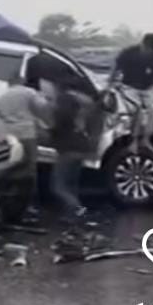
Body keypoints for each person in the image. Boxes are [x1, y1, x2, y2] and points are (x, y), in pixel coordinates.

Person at [0, 71, 51, 215]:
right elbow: (43, 108)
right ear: (22, 81)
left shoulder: (1, 97)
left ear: (9, 83)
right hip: (27, 134)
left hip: (10, 136)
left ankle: (7, 202)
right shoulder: (29, 93)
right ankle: (28, 204)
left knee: (11, 168)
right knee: (29, 169)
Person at [50, 79, 94, 222]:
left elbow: (60, 122)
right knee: (71, 185)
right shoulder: (80, 105)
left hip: (69, 149)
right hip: (81, 147)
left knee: (58, 186)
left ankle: (78, 209)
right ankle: (72, 216)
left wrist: (50, 130)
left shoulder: (64, 100)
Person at [109, 33, 153, 149]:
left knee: (152, 109)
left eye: (150, 49)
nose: (148, 51)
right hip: (130, 86)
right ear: (143, 43)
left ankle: (146, 139)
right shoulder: (129, 53)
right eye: (146, 48)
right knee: (137, 110)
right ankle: (133, 141)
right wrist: (111, 83)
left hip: (146, 87)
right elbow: (116, 68)